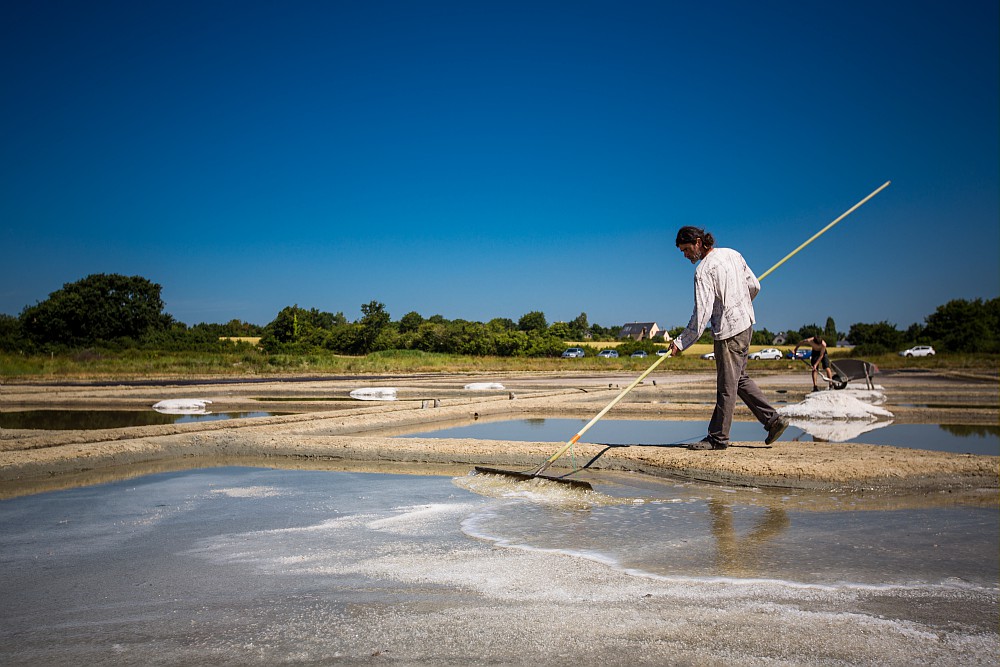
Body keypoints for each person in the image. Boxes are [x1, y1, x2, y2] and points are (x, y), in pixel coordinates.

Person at [668, 226, 788, 450]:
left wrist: (680, 342)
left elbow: (701, 315)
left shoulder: (703, 271)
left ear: (697, 242)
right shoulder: (733, 254)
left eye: (686, 250)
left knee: (726, 386)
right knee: (738, 379)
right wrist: (739, 303)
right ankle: (773, 421)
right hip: (746, 324)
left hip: (729, 331)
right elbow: (755, 285)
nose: (685, 256)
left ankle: (717, 438)